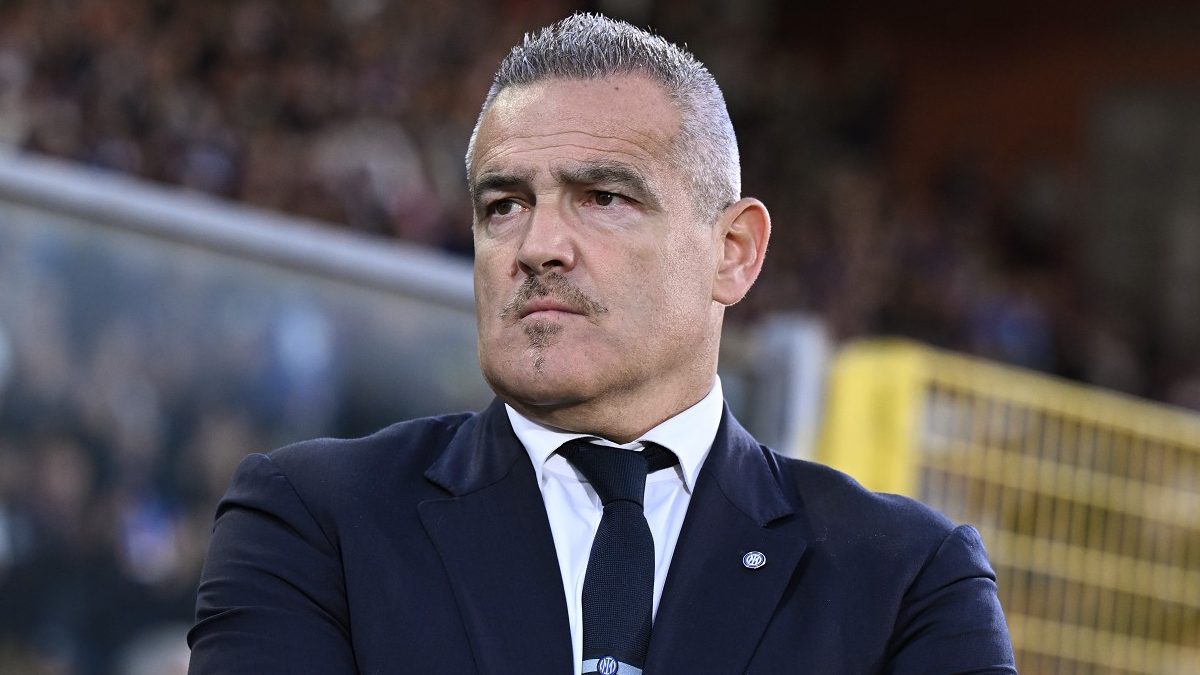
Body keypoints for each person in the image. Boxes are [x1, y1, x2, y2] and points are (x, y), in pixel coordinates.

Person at [188, 13, 1016, 675]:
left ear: (733, 252)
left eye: (603, 197)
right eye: (504, 205)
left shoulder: (907, 576)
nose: (538, 245)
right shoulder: (312, 521)